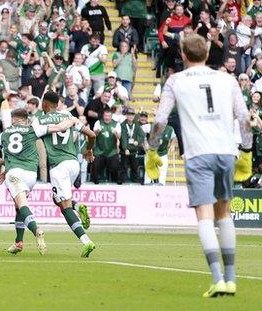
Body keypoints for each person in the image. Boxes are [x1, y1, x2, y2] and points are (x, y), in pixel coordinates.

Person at [147, 34, 252, 297]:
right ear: (207, 53)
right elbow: (244, 117)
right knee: (224, 215)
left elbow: (160, 121)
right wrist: (247, 151)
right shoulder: (227, 79)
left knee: (205, 217)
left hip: (198, 155)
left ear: (183, 55)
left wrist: (151, 149)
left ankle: (217, 278)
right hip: (226, 152)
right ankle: (231, 279)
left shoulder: (176, 81)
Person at [32, 92, 96, 258]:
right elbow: (92, 135)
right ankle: (77, 206)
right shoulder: (68, 116)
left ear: (45, 105)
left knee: (64, 208)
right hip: (73, 163)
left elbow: (30, 140)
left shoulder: (39, 120)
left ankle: (86, 241)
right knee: (57, 199)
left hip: (58, 166)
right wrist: (88, 150)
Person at [0, 109, 51, 255]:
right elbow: (56, 128)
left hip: (14, 173)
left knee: (22, 205)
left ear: (14, 119)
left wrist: (6, 163)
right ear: (25, 119)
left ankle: (36, 230)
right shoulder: (31, 130)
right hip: (31, 174)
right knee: (18, 207)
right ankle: (18, 242)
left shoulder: (4, 134)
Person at [92, 108, 121, 184]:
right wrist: (97, 130)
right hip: (100, 150)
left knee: (115, 166)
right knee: (96, 165)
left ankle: (116, 180)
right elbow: (94, 135)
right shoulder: (98, 122)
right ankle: (95, 180)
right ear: (103, 116)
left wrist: (115, 133)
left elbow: (119, 137)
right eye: (106, 116)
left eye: (109, 116)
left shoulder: (116, 124)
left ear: (111, 116)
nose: (107, 118)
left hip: (112, 151)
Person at [119, 108, 144, 184]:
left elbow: (142, 135)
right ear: (126, 116)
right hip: (125, 150)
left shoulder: (136, 124)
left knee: (135, 166)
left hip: (134, 150)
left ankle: (135, 180)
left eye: (132, 115)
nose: (131, 116)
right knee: (124, 166)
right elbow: (123, 137)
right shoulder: (122, 125)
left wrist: (138, 141)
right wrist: (125, 148)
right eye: (129, 115)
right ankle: (122, 180)